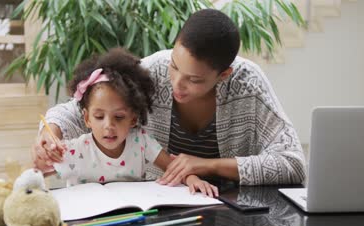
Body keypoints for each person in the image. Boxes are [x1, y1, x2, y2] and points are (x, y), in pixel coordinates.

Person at [33, 9, 306, 187]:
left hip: (231, 211)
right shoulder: (154, 70)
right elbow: (81, 107)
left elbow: (292, 162)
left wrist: (209, 165)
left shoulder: (248, 84)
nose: (176, 83)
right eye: (175, 66)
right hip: (161, 205)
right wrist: (51, 133)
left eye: (194, 80)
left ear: (224, 75)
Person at [36, 48, 218, 197]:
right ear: (86, 118)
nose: (108, 125)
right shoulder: (74, 150)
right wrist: (44, 158)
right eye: (99, 117)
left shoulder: (141, 142)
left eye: (119, 117)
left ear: (133, 119)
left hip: (132, 219)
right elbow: (39, 172)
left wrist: (193, 179)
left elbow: (173, 167)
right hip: (87, 224)